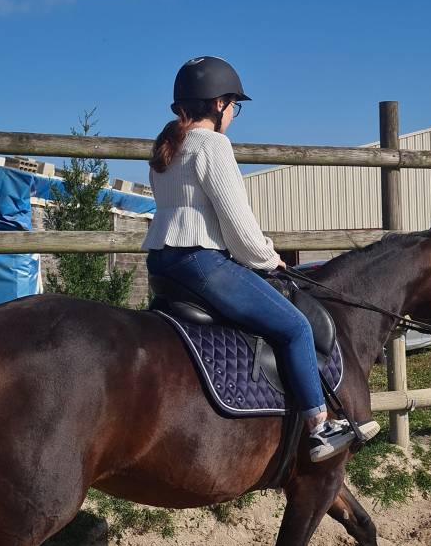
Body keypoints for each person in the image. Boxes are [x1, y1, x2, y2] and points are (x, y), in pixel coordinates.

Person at [143, 56, 378, 462]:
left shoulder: (169, 145)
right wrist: (269, 259)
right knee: (296, 327)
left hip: (162, 266)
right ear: (219, 104)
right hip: (201, 263)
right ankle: (320, 427)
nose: (235, 113)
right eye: (235, 105)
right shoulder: (213, 145)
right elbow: (238, 224)